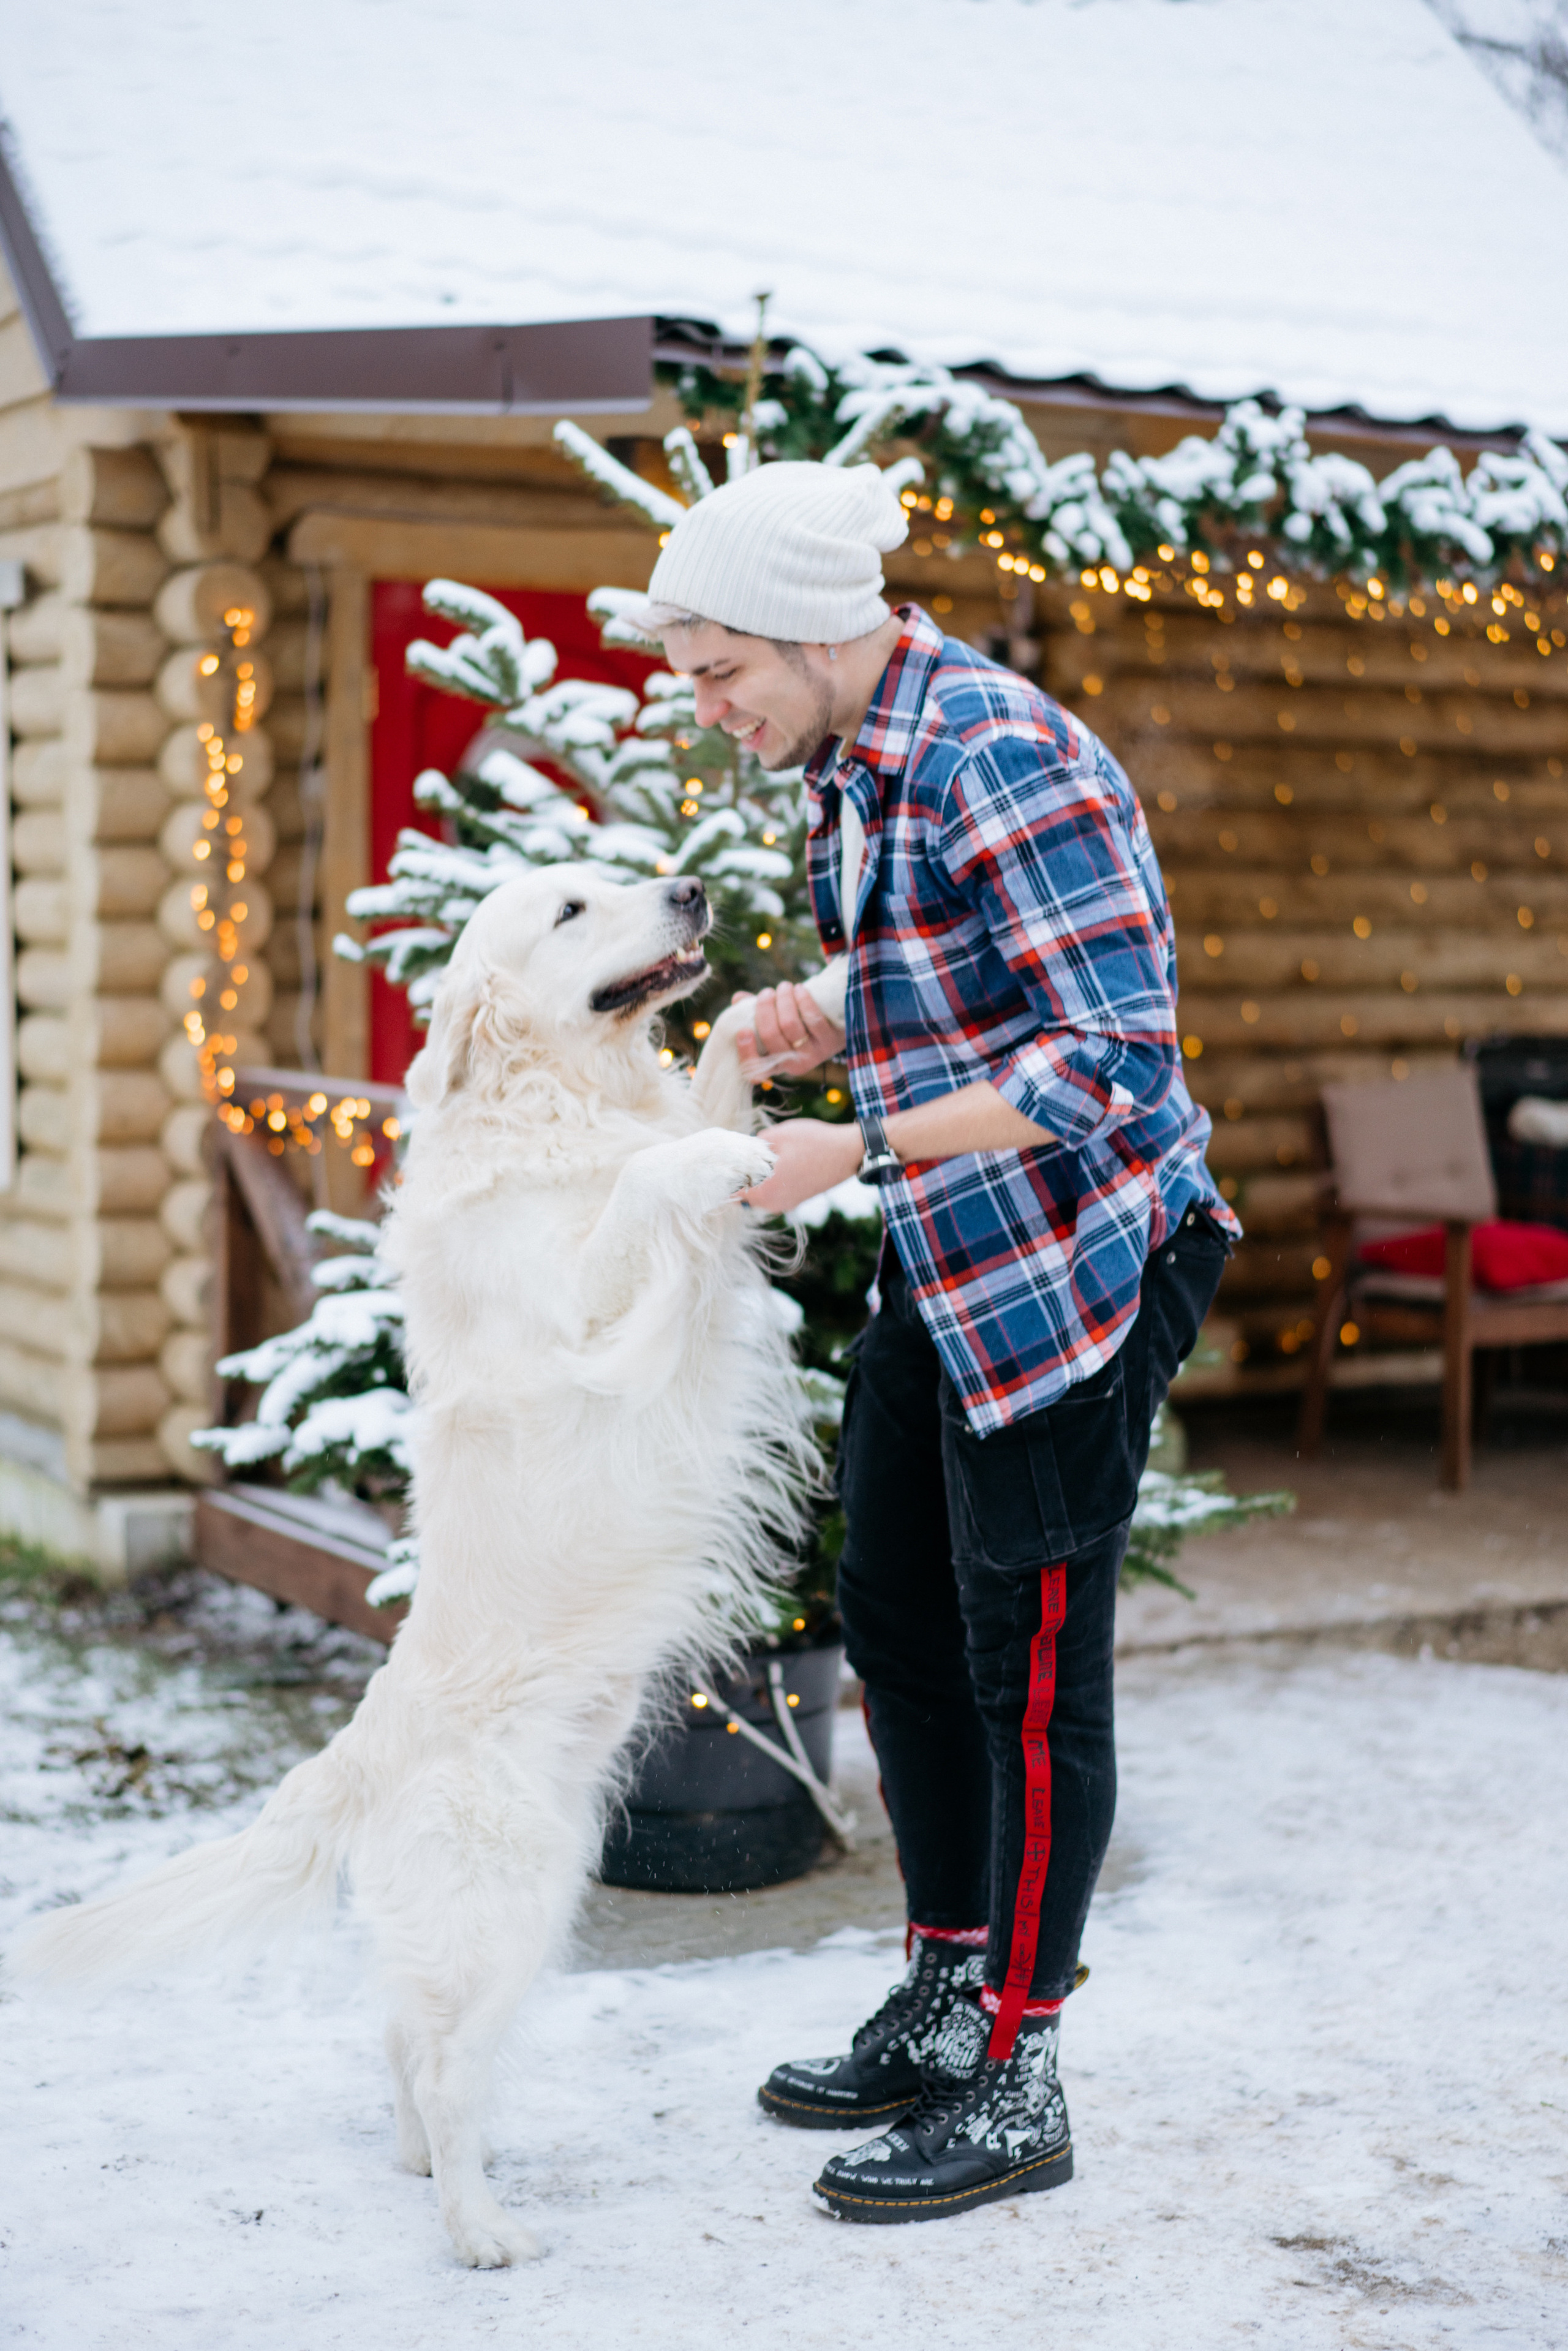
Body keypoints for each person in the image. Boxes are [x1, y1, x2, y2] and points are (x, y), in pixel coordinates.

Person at [624, 459, 1237, 2225]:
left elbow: (1110, 1057)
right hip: (954, 1259)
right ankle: (950, 1984)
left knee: (1029, 1670)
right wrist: (823, 1015)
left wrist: (863, 1142)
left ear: (818, 634)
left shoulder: (999, 757)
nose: (704, 705)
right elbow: (954, 969)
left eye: (722, 668)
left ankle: (1023, 2071)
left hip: (1076, 1268)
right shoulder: (855, 767)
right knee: (891, 1607)